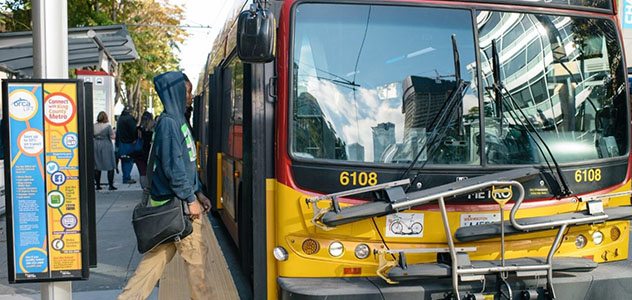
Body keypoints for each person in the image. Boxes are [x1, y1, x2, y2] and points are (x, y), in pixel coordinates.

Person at [117, 72, 214, 300]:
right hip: (178, 207)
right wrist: (190, 200)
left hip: (174, 206)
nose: (191, 97)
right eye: (187, 92)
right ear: (176, 93)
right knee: (197, 262)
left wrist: (198, 191)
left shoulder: (179, 121)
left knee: (153, 262)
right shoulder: (170, 123)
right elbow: (173, 167)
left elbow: (187, 161)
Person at [93, 112, 117, 190]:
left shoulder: (94, 126)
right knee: (110, 164)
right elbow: (112, 136)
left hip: (96, 144)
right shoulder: (107, 126)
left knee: (97, 165)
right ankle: (110, 185)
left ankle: (98, 185)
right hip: (106, 145)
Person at [116, 105, 137, 184]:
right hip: (129, 142)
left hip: (122, 142)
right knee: (129, 160)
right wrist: (135, 139)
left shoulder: (120, 119)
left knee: (124, 159)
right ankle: (127, 177)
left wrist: (117, 142)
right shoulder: (130, 119)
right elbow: (133, 130)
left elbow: (118, 132)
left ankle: (125, 176)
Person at [133, 111, 154, 189]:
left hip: (139, 153)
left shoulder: (138, 130)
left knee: (142, 172)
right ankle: (150, 187)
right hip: (149, 152)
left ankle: (144, 188)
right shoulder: (152, 131)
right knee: (150, 171)